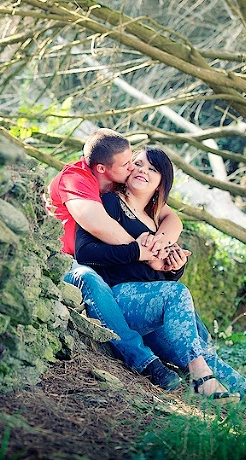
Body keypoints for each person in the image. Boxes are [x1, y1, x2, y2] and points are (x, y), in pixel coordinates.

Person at [74, 146, 246, 416]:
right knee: (177, 296)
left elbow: (154, 275)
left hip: (148, 309)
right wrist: (138, 251)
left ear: (160, 184)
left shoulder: (158, 223)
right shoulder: (109, 203)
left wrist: (173, 267)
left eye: (152, 169)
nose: (142, 171)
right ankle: (202, 380)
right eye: (138, 164)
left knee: (199, 352)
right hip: (117, 297)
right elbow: (85, 251)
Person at [47, 128, 187, 390]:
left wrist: (161, 243)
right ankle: (144, 361)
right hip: (62, 261)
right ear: (102, 168)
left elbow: (170, 215)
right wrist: (144, 252)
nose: (133, 169)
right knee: (88, 279)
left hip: (107, 267)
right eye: (128, 164)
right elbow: (98, 225)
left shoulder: (115, 179)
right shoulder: (76, 179)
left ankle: (208, 372)